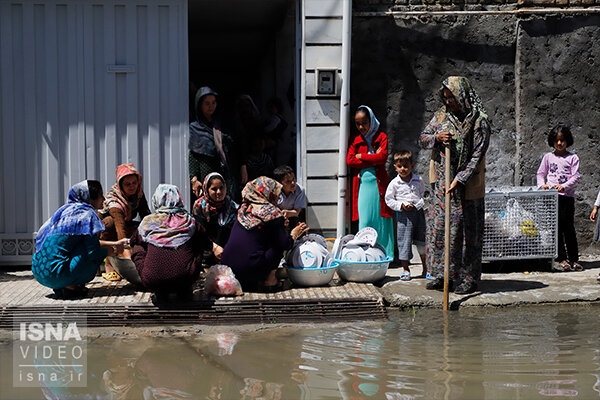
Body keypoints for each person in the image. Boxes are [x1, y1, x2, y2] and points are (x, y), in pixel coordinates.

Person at [419, 76, 491, 294]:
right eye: (446, 98)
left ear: (463, 96)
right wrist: (437, 138)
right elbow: (423, 139)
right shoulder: (441, 116)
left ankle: (467, 278)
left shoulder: (479, 121)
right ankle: (443, 275)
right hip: (442, 185)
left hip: (467, 186)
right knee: (441, 230)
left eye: (452, 98)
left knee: (468, 233)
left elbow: (478, 155)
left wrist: (460, 178)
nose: (449, 102)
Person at [32, 180, 130, 299]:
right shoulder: (87, 215)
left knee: (81, 246)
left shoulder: (66, 211)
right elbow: (93, 253)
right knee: (90, 254)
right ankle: (71, 285)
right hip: (56, 274)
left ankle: (64, 285)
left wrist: (115, 243)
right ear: (91, 199)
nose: (103, 199)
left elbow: (88, 243)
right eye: (100, 195)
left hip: (40, 272)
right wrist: (115, 250)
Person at [221, 177, 309, 292]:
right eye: (276, 194)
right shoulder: (273, 213)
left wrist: (281, 225)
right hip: (251, 268)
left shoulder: (244, 208)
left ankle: (248, 280)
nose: (278, 198)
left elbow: (258, 233)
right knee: (277, 245)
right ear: (268, 193)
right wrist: (294, 233)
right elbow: (285, 244)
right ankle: (270, 281)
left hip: (228, 266)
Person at [130, 184, 210, 301]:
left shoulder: (148, 221)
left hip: (152, 280)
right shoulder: (189, 221)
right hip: (186, 278)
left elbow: (133, 241)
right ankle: (183, 289)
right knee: (197, 243)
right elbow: (206, 242)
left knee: (138, 245)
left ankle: (160, 287)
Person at [346, 105, 394, 256]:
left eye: (364, 122)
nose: (361, 127)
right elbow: (350, 161)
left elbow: (383, 157)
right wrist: (373, 158)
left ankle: (387, 254)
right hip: (362, 186)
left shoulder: (381, 137)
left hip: (379, 183)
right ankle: (366, 254)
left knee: (382, 219)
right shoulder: (356, 140)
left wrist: (362, 156)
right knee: (365, 219)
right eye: (358, 123)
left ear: (371, 121)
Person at [537, 125, 581, 272]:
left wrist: (564, 186)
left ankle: (574, 259)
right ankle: (561, 258)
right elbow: (540, 174)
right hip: (551, 198)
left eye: (562, 140)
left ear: (567, 141)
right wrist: (542, 185)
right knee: (556, 228)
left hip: (566, 198)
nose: (560, 143)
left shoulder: (573, 158)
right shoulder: (548, 157)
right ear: (552, 142)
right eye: (557, 140)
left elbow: (575, 177)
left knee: (568, 228)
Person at [99, 163, 150, 281]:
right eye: (127, 184)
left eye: (134, 183)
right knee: (109, 222)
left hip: (125, 225)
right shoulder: (115, 202)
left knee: (140, 229)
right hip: (106, 232)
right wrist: (129, 263)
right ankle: (108, 262)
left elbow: (146, 216)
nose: (132, 186)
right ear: (121, 186)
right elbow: (120, 230)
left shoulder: (138, 194)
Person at [384, 150, 427, 281]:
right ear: (395, 167)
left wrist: (417, 205)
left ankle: (425, 268)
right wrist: (401, 206)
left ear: (412, 165)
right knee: (404, 241)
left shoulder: (418, 180)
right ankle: (405, 269)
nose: (403, 169)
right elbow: (389, 199)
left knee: (422, 240)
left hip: (418, 214)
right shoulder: (394, 184)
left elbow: (424, 195)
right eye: (400, 166)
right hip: (403, 216)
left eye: (406, 166)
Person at [189, 86, 236, 200]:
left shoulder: (222, 124)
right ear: (199, 105)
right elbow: (193, 155)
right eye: (207, 103)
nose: (211, 107)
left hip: (225, 173)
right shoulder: (195, 127)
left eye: (213, 103)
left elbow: (233, 148)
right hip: (206, 171)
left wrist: (242, 167)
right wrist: (194, 180)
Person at [192, 172, 239, 265]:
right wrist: (214, 248)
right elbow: (199, 233)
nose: (219, 192)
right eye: (214, 189)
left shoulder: (233, 207)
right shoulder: (199, 206)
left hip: (226, 252)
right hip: (207, 251)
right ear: (207, 190)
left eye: (221, 188)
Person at [274, 165, 306, 229]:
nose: (293, 183)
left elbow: (297, 212)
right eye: (288, 181)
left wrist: (286, 213)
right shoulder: (274, 191)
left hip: (292, 218)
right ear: (280, 183)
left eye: (294, 179)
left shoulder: (299, 190)